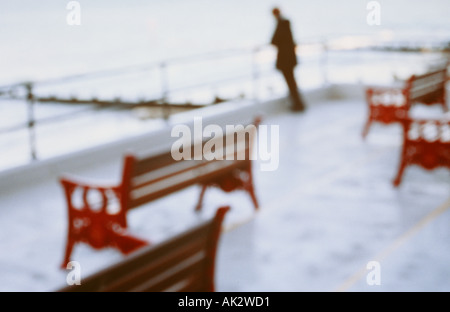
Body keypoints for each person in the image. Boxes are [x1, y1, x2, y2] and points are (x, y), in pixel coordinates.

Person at [270, 7, 306, 112]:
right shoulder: (284, 23)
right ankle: (298, 103)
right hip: (289, 59)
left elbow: (275, 40)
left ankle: (298, 104)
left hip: (286, 60)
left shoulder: (283, 23)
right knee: (292, 82)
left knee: (291, 82)